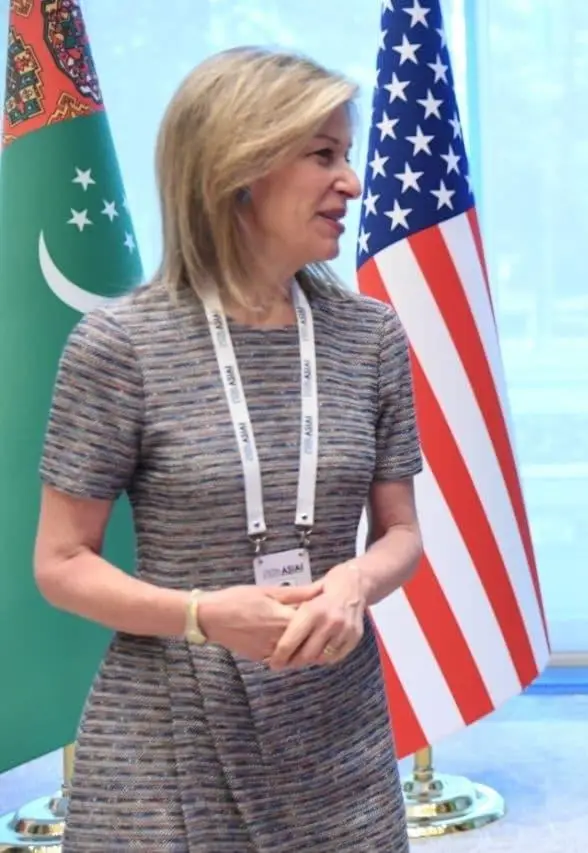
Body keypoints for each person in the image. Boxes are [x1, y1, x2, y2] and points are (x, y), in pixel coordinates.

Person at [33, 47, 424, 851]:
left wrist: (354, 580)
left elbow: (402, 534)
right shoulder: (120, 345)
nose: (351, 182)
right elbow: (61, 562)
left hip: (335, 726)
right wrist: (201, 614)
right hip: (169, 737)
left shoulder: (371, 335)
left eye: (346, 154)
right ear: (239, 169)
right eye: (323, 155)